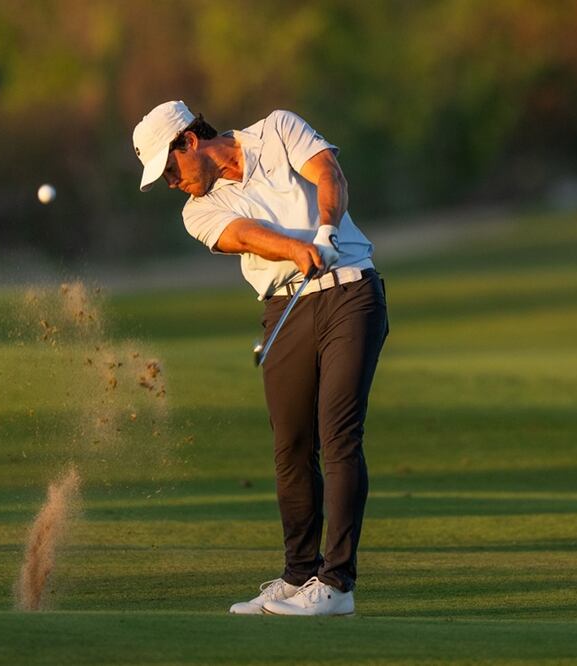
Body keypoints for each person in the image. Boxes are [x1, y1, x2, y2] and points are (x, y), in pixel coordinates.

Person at [132, 101, 389, 616]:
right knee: (291, 448)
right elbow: (244, 235)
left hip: (350, 295)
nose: (169, 182)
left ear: (189, 141)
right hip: (285, 309)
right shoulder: (196, 211)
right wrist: (298, 250)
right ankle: (299, 578)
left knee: (338, 435)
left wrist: (327, 229)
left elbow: (327, 172)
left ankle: (336, 586)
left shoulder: (277, 128)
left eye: (169, 168)